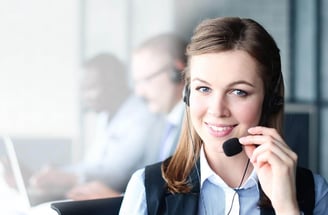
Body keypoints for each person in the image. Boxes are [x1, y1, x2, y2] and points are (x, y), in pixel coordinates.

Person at [119, 17, 328, 214]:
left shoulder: (314, 191)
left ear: (270, 100)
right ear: (187, 95)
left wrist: (286, 206)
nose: (217, 110)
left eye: (238, 92)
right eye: (204, 89)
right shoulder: (146, 188)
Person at [29, 53, 165, 201]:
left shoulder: (144, 115)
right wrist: (55, 172)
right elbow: (92, 164)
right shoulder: (105, 115)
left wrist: (66, 177)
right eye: (83, 89)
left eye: (91, 88)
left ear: (114, 84)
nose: (85, 96)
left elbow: (116, 174)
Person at [131, 33, 187, 162]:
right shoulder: (158, 124)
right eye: (137, 82)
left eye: (147, 80)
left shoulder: (200, 124)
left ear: (177, 72)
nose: (139, 92)